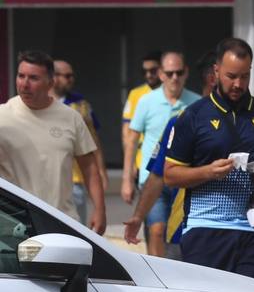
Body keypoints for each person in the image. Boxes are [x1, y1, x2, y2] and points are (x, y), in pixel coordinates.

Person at [164, 38, 254, 282]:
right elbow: (170, 175)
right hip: (205, 230)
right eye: (231, 76)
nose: (238, 84)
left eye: (244, 76)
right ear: (216, 71)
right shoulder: (194, 115)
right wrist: (208, 172)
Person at [0, 51, 105, 234]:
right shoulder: (3, 116)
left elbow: (89, 168)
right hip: (13, 225)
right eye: (21, 76)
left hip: (62, 221)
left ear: (50, 82)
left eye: (33, 78)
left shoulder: (71, 117)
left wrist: (100, 209)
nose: (24, 84)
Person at [123, 55, 217, 251]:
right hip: (152, 176)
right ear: (161, 75)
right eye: (169, 73)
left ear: (186, 73)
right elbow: (131, 140)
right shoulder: (146, 101)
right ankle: (157, 278)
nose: (175, 77)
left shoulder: (196, 103)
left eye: (179, 72)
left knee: (178, 236)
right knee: (157, 230)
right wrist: (126, 178)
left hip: (182, 179)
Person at [53, 59, 107, 226]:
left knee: (76, 229)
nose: (71, 80)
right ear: (53, 77)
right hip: (45, 177)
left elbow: (93, 140)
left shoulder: (80, 104)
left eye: (72, 76)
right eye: (67, 76)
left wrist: (101, 171)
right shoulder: (39, 102)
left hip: (74, 179)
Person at [121, 49, 162, 201]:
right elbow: (127, 133)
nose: (148, 75)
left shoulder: (174, 94)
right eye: (145, 71)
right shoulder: (135, 94)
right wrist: (130, 166)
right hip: (142, 164)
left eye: (153, 70)